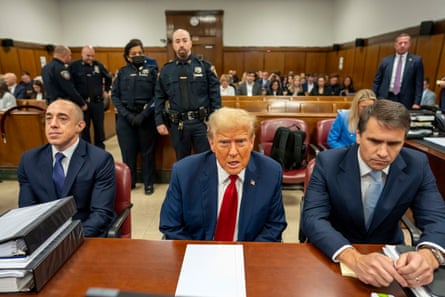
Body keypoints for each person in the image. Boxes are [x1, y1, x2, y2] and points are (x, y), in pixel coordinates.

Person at [302, 99, 445, 288]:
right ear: (359, 135)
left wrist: (430, 255)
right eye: (375, 141)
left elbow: (436, 217)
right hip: (335, 254)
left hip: (391, 260)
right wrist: (353, 258)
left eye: (394, 144)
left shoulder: (417, 165)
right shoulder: (329, 162)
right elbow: (313, 218)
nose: (383, 153)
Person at [159, 107, 287, 241]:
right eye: (224, 142)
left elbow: (274, 226)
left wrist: (246, 256)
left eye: (240, 141)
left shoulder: (270, 173)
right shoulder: (185, 172)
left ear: (251, 142)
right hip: (198, 254)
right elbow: (170, 225)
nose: (233, 152)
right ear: (212, 143)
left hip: (248, 255)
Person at [18, 99, 116, 237]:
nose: (53, 125)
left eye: (62, 119)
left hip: (85, 234)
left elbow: (100, 214)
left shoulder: (100, 159)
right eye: (48, 118)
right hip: (44, 237)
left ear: (80, 126)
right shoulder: (29, 160)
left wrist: (66, 241)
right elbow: (27, 211)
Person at [154, 29, 221, 161]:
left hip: (202, 124)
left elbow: (215, 96)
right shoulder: (167, 70)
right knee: (182, 163)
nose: (181, 45)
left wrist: (215, 120)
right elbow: (159, 98)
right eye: (177, 41)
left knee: (206, 160)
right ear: (173, 45)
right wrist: (159, 122)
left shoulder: (205, 67)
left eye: (185, 40)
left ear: (191, 43)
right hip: (178, 125)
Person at [112, 39, 158, 195]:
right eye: (134, 54)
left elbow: (156, 97)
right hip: (126, 118)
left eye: (140, 53)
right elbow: (115, 96)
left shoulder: (151, 71)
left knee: (148, 153)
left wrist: (144, 115)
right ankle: (129, 182)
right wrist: (128, 115)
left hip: (146, 118)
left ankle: (148, 183)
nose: (138, 55)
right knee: (128, 152)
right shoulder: (121, 72)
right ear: (127, 56)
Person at [70, 45, 112, 149]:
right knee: (84, 129)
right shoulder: (74, 66)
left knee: (99, 129)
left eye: (92, 56)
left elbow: (108, 77)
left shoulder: (98, 65)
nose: (91, 58)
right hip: (83, 104)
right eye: (88, 55)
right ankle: (86, 150)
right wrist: (78, 101)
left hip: (97, 103)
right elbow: (70, 85)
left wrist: (106, 90)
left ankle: (100, 150)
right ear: (82, 54)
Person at [372, 33, 424, 109]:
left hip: (405, 100)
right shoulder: (385, 61)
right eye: (400, 43)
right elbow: (377, 81)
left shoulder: (416, 61)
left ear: (409, 44)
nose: (403, 45)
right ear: (395, 45)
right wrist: (373, 97)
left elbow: (419, 84)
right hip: (385, 97)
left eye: (405, 43)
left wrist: (417, 102)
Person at [41, 45, 87, 110]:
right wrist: (81, 103)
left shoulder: (45, 68)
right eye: (70, 55)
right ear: (65, 55)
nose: (70, 58)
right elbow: (69, 88)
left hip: (50, 104)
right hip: (62, 104)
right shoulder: (61, 69)